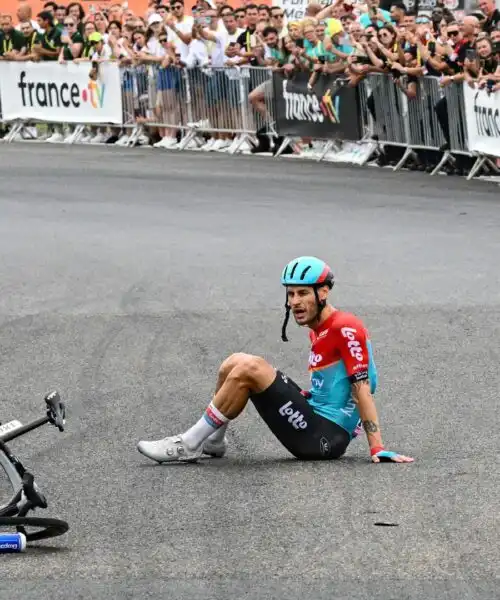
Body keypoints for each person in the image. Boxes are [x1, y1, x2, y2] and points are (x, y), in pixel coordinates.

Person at [138, 257, 414, 464]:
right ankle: (213, 441)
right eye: (291, 294)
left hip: (323, 438)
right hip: (314, 415)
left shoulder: (345, 326)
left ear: (324, 293)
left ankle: (189, 443)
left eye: (303, 293)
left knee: (251, 368)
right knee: (235, 361)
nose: (294, 301)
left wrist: (376, 447)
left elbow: (363, 387)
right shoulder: (319, 329)